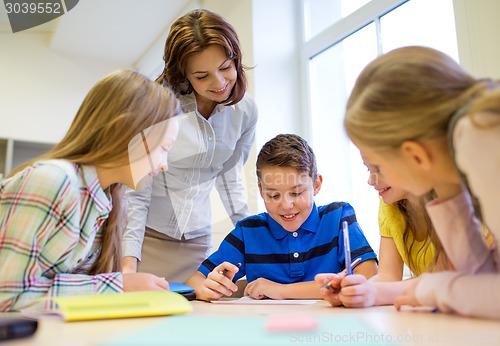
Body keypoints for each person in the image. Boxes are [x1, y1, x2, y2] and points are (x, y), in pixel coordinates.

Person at [0, 70, 179, 312]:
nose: (164, 164)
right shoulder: (53, 180)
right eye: (164, 147)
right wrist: (117, 286)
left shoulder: (109, 201)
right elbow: (6, 294)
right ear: (121, 131)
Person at [343, 45, 500, 319]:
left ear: (414, 154)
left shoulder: (482, 135)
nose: (373, 178)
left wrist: (432, 289)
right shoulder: (456, 160)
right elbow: (479, 277)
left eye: (378, 165)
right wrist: (448, 190)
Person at [122, 9, 258, 282]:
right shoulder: (157, 106)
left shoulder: (246, 111)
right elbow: (136, 193)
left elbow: (230, 178)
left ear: (236, 59)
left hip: (197, 239)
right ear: (183, 73)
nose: (219, 84)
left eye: (225, 68)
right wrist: (127, 267)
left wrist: (253, 240)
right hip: (145, 237)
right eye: (201, 75)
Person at [185, 134, 378, 301]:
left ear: (316, 185)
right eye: (274, 195)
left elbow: (368, 279)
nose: (286, 205)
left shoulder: (337, 217)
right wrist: (207, 288)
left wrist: (283, 291)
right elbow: (194, 281)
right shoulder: (249, 231)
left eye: (296, 193)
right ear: (261, 191)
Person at [315, 159, 450, 308]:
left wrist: (369, 292)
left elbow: (444, 280)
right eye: (368, 170)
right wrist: (352, 291)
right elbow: (388, 276)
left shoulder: (453, 199)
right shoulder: (390, 205)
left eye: (379, 169)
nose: (370, 180)